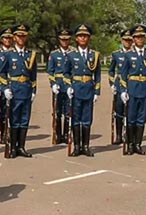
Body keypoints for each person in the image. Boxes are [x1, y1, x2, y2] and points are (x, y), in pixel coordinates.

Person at [0, 24, 37, 158]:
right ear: (14, 37)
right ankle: (13, 147)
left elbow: (33, 75)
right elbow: (2, 73)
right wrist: (5, 88)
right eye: (19, 36)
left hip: (26, 89)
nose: (21, 38)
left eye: (23, 36)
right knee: (14, 119)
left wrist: (34, 90)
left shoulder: (31, 55)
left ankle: (21, 147)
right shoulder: (9, 54)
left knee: (24, 119)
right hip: (14, 90)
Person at [120, 24, 146, 155]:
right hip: (132, 89)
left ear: (145, 38)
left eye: (141, 37)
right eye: (137, 37)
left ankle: (138, 144)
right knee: (131, 118)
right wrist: (123, 90)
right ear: (133, 39)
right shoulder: (128, 54)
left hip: (144, 89)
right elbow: (123, 74)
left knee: (141, 118)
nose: (139, 39)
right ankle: (130, 144)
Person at [65, 24, 100, 157]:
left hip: (89, 89)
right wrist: (69, 86)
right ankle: (77, 146)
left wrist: (96, 92)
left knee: (87, 119)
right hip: (76, 89)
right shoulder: (71, 55)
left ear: (89, 38)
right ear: (76, 38)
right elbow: (66, 73)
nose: (83, 38)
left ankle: (85, 146)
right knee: (75, 119)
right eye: (80, 36)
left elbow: (97, 75)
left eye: (85, 36)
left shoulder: (94, 55)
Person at [48, 29, 75, 144]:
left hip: (69, 85)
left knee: (69, 111)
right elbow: (50, 71)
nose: (65, 41)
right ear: (59, 40)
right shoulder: (54, 54)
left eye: (67, 39)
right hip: (58, 85)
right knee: (57, 112)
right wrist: (53, 84)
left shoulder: (73, 54)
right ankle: (58, 134)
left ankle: (66, 134)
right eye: (62, 39)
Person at [108, 28, 133, 145]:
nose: (127, 42)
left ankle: (128, 134)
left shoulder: (135, 54)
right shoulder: (116, 54)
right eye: (125, 40)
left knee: (130, 111)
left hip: (131, 84)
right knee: (119, 111)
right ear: (122, 40)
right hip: (119, 85)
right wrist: (112, 84)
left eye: (129, 40)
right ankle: (118, 135)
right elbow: (111, 70)